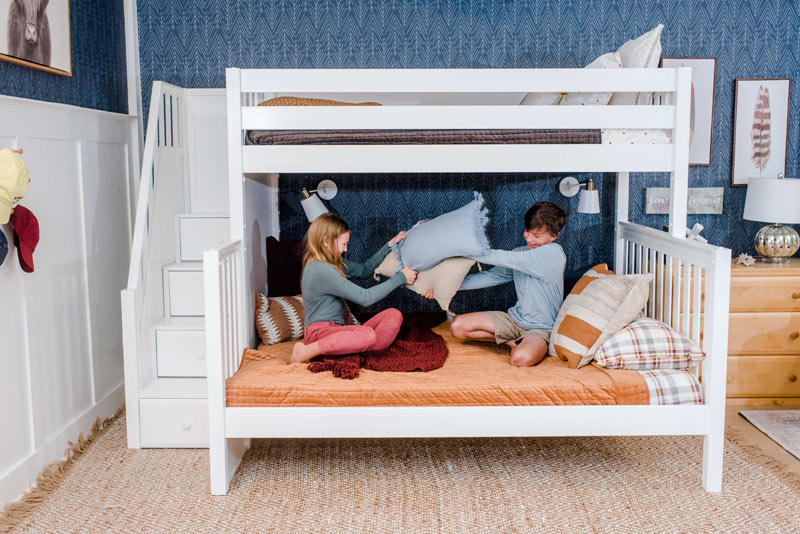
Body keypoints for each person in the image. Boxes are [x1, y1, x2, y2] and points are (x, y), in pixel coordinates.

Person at [291, 213, 419, 363]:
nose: (345, 250)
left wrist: (389, 245)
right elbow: (365, 298)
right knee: (367, 335)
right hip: (319, 335)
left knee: (393, 315)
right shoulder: (319, 269)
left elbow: (363, 270)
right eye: (343, 244)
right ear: (326, 241)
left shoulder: (331, 262)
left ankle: (354, 352)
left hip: (335, 331)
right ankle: (307, 351)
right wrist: (400, 278)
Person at [450, 201, 567, 367]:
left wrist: (462, 249)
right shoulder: (519, 253)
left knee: (520, 359)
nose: (530, 239)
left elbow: (503, 258)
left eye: (537, 236)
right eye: (528, 231)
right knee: (458, 327)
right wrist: (448, 286)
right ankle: (512, 341)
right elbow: (492, 276)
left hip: (540, 329)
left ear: (554, 236)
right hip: (513, 320)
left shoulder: (553, 254)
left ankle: (524, 344)